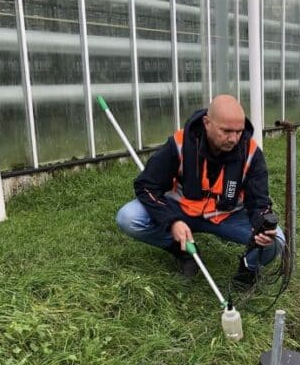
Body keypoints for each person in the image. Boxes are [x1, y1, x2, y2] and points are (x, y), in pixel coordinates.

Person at [116, 95, 284, 287]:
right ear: (207, 123)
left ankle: (247, 270)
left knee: (276, 239)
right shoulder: (179, 144)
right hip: (181, 210)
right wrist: (172, 221)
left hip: (227, 217)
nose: (234, 139)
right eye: (226, 131)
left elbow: (258, 202)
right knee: (128, 217)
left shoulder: (251, 154)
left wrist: (262, 226)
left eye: (238, 132)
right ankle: (184, 251)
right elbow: (146, 186)